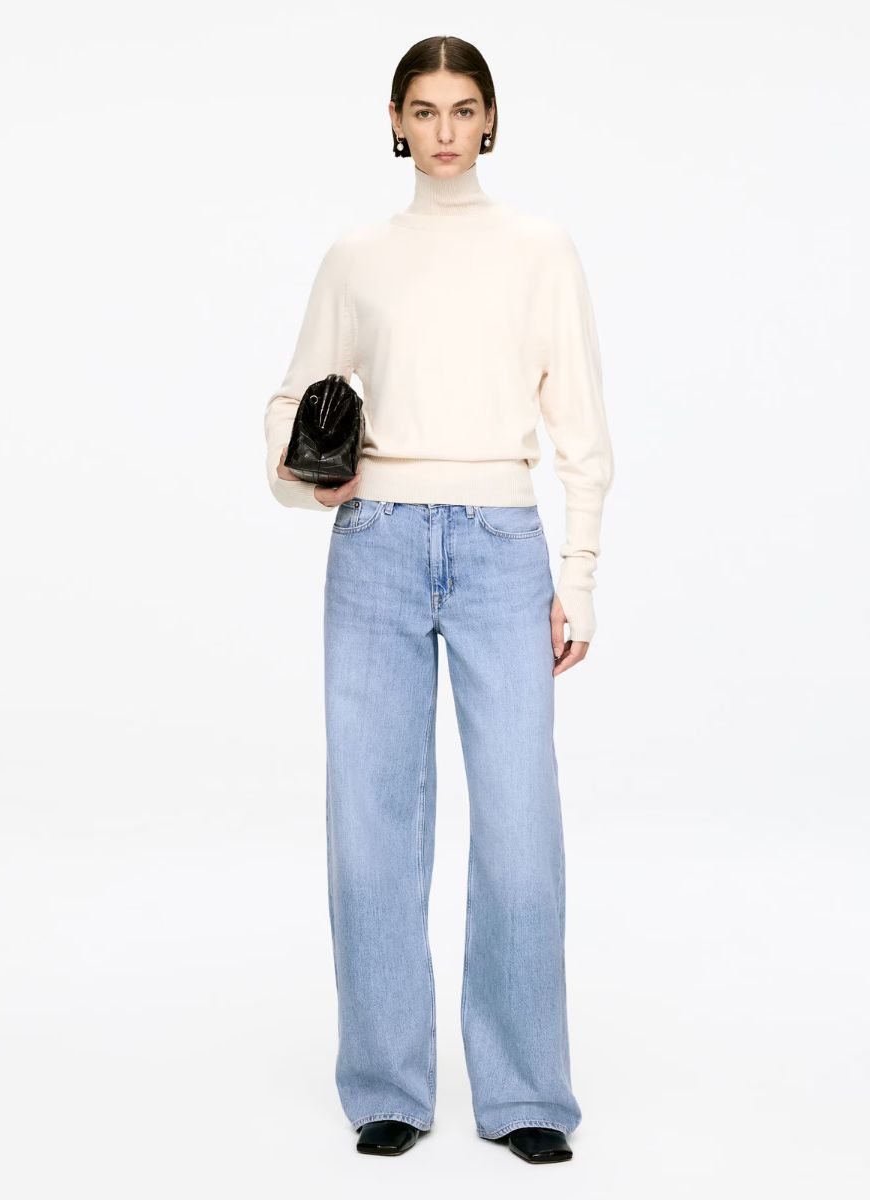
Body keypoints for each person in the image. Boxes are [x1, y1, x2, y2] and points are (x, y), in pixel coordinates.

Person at [263, 35, 614, 1165]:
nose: (446, 129)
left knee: (520, 823)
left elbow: (583, 430)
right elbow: (290, 402)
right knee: (371, 820)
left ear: (491, 120)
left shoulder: (539, 249)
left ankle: (526, 1093)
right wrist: (312, 476)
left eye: (465, 109)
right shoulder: (358, 257)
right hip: (374, 543)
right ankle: (386, 1086)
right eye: (425, 109)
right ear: (396, 122)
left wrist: (578, 575)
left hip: (505, 546)